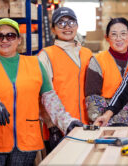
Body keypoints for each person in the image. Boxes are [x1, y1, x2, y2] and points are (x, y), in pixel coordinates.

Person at [0, 18, 84, 166]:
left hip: (27, 139)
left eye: (10, 36)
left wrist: (67, 122)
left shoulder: (35, 64)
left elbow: (51, 99)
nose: (4, 40)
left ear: (19, 40)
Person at [36, 7, 93, 152]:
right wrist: (52, 126)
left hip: (86, 126)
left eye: (71, 22)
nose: (67, 27)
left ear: (77, 26)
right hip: (60, 128)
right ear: (53, 29)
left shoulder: (87, 53)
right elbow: (41, 94)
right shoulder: (46, 55)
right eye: (61, 23)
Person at [84, 17, 128, 126]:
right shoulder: (97, 61)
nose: (119, 38)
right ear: (107, 38)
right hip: (106, 123)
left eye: (123, 34)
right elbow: (92, 96)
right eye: (114, 34)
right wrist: (100, 122)